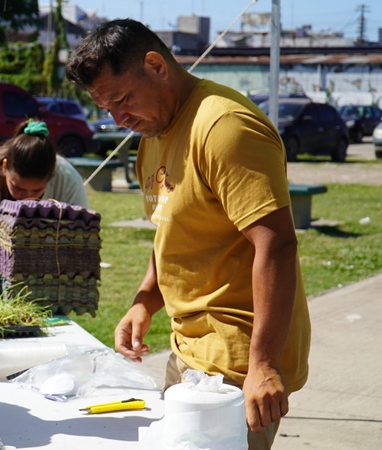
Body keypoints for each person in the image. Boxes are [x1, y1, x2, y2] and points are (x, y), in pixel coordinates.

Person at [65, 19, 311, 450]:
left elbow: (276, 243)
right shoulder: (152, 135)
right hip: (188, 352)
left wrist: (264, 364)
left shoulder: (225, 126)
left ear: (156, 65)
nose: (119, 119)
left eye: (123, 99)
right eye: (107, 109)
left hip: (238, 362)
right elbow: (171, 228)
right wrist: (146, 298)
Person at [0, 121, 89, 284]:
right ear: (5, 168)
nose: (26, 198)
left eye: (37, 191)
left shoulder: (68, 181)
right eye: (18, 188)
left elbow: (77, 249)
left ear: (51, 177)